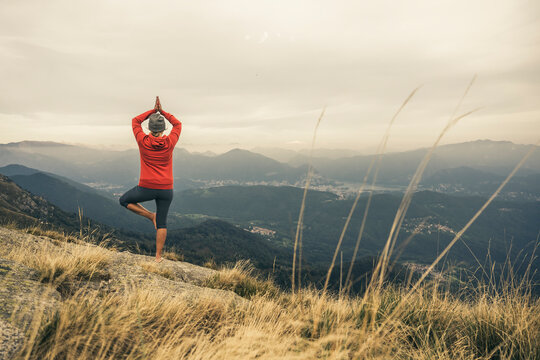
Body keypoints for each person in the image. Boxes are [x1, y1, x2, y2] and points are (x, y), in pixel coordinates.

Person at [119, 97, 182, 263]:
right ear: (163, 129)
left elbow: (135, 121)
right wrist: (163, 111)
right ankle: (158, 257)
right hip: (166, 189)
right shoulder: (169, 141)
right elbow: (178, 124)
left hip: (145, 187)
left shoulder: (142, 140)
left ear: (149, 128)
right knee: (162, 223)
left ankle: (149, 216)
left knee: (124, 200)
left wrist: (152, 111)